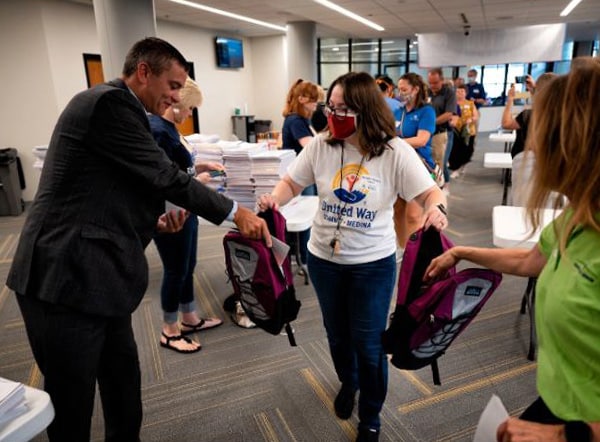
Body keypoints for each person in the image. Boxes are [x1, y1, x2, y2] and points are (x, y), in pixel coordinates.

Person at [6, 37, 270, 442]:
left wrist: (153, 223)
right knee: (72, 402)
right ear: (144, 72)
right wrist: (236, 213)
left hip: (103, 277)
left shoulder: (126, 112)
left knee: (123, 385)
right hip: (61, 279)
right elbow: (165, 177)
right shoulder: (108, 104)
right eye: (174, 84)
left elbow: (116, 189)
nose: (177, 95)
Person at [257, 71, 448, 442]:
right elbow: (292, 183)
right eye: (331, 106)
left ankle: (372, 415)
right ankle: (349, 382)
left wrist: (437, 210)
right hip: (323, 260)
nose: (333, 115)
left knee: (369, 341)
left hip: (371, 265)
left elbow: (430, 193)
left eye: (343, 109)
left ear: (365, 110)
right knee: (337, 335)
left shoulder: (394, 151)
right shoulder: (322, 145)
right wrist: (274, 199)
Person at [424, 57, 600, 442]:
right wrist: (463, 252)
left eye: (542, 131)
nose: (531, 143)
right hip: (562, 403)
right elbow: (531, 259)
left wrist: (564, 437)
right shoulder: (577, 217)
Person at [149, 77, 225, 354]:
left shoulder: (170, 129)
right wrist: (197, 177)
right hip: (171, 212)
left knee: (187, 265)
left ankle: (189, 317)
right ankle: (169, 329)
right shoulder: (158, 130)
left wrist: (201, 164)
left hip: (186, 207)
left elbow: (179, 164)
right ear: (177, 103)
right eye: (190, 108)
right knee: (175, 269)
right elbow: (162, 176)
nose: (191, 114)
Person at [394, 72, 437, 252]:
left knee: (413, 215)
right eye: (399, 89)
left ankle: (414, 253)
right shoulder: (398, 112)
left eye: (404, 89)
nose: (400, 92)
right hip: (399, 167)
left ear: (416, 89)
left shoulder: (427, 111)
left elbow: (421, 140)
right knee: (398, 211)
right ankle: (403, 249)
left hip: (419, 166)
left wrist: (395, 143)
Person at [281, 79, 321, 264]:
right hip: (301, 175)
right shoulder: (296, 120)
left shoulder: (302, 120)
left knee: (307, 214)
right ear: (303, 99)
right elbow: (309, 146)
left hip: (304, 174)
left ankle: (304, 255)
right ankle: (305, 258)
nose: (316, 105)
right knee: (305, 215)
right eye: (314, 100)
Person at [501, 72, 557, 158]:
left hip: (523, 161)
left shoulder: (527, 116)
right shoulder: (562, 116)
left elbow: (506, 124)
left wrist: (510, 100)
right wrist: (534, 90)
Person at [427, 68, 456, 191]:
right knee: (429, 162)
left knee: (440, 163)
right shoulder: (426, 92)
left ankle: (442, 187)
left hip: (442, 133)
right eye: (430, 83)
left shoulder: (448, 93)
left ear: (442, 80)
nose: (432, 86)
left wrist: (430, 122)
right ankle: (432, 186)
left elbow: (449, 114)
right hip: (427, 134)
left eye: (435, 83)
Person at [449, 84, 479, 177]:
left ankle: (463, 165)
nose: (460, 93)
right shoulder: (452, 104)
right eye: (458, 91)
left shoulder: (470, 103)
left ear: (466, 93)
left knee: (468, 150)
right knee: (455, 150)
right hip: (455, 131)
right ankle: (455, 169)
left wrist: (472, 119)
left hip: (468, 131)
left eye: (462, 91)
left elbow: (476, 116)